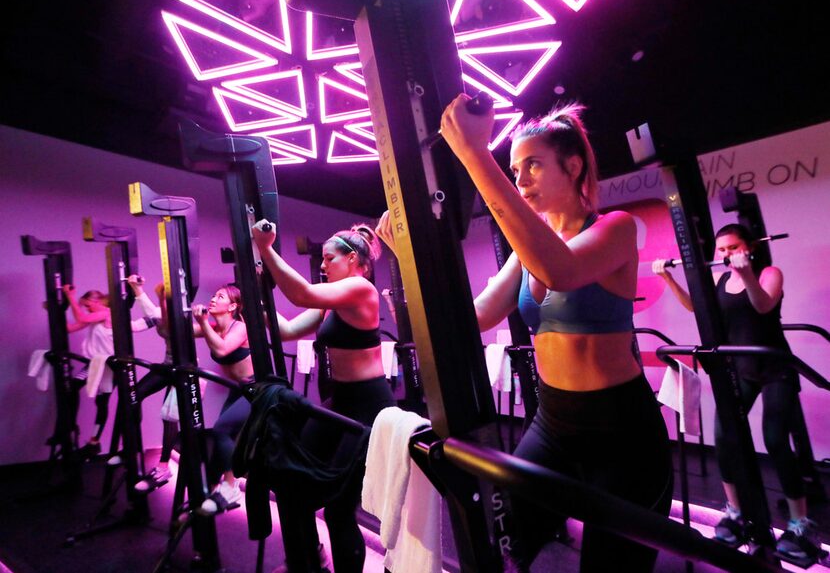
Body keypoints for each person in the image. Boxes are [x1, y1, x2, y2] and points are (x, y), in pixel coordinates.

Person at [377, 101, 673, 573]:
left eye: (532, 164)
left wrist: (476, 154)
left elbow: (560, 269)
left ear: (573, 166)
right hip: (554, 423)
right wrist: (404, 262)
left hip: (621, 432)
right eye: (515, 169)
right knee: (506, 546)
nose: (521, 179)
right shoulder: (525, 252)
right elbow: (471, 319)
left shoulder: (614, 229)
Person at [653, 223, 820, 560]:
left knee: (774, 439)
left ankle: (800, 522)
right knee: (725, 436)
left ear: (749, 249)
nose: (726, 255)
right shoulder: (719, 279)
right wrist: (668, 279)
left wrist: (747, 275)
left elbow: (763, 306)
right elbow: (695, 307)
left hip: (774, 368)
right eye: (721, 250)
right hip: (742, 368)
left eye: (732, 248)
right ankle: (734, 512)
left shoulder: (770, 273)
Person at [252, 221, 395, 573]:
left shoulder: (362, 289)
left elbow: (301, 292)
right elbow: (286, 331)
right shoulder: (330, 302)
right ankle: (309, 558)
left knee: (338, 508)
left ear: (352, 260)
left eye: (329, 259)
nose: (322, 265)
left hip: (368, 409)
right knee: (291, 483)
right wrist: (258, 300)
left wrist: (266, 249)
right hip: (340, 402)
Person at [63, 285, 154, 460]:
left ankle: (115, 445)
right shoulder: (94, 318)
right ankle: (84, 437)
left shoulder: (106, 313)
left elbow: (80, 316)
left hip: (110, 365)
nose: (87, 310)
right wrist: (56, 310)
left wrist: (70, 296)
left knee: (119, 401)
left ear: (96, 301)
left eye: (88, 306)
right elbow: (71, 327)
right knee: (79, 391)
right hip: (96, 363)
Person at [192, 283, 254, 515]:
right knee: (223, 436)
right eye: (214, 295)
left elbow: (222, 351)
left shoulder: (240, 327)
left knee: (221, 430)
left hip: (256, 389)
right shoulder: (214, 327)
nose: (214, 299)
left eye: (220, 297)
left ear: (233, 306)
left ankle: (232, 486)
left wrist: (201, 324)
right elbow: (171, 331)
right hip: (237, 389)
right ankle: (216, 487)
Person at [125, 275, 178, 492]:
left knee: (169, 416)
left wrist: (139, 291)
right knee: (133, 395)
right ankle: (131, 449)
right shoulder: (158, 313)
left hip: (184, 371)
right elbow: (136, 326)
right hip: (167, 366)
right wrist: (109, 314)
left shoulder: (182, 316)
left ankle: (164, 466)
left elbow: (165, 327)